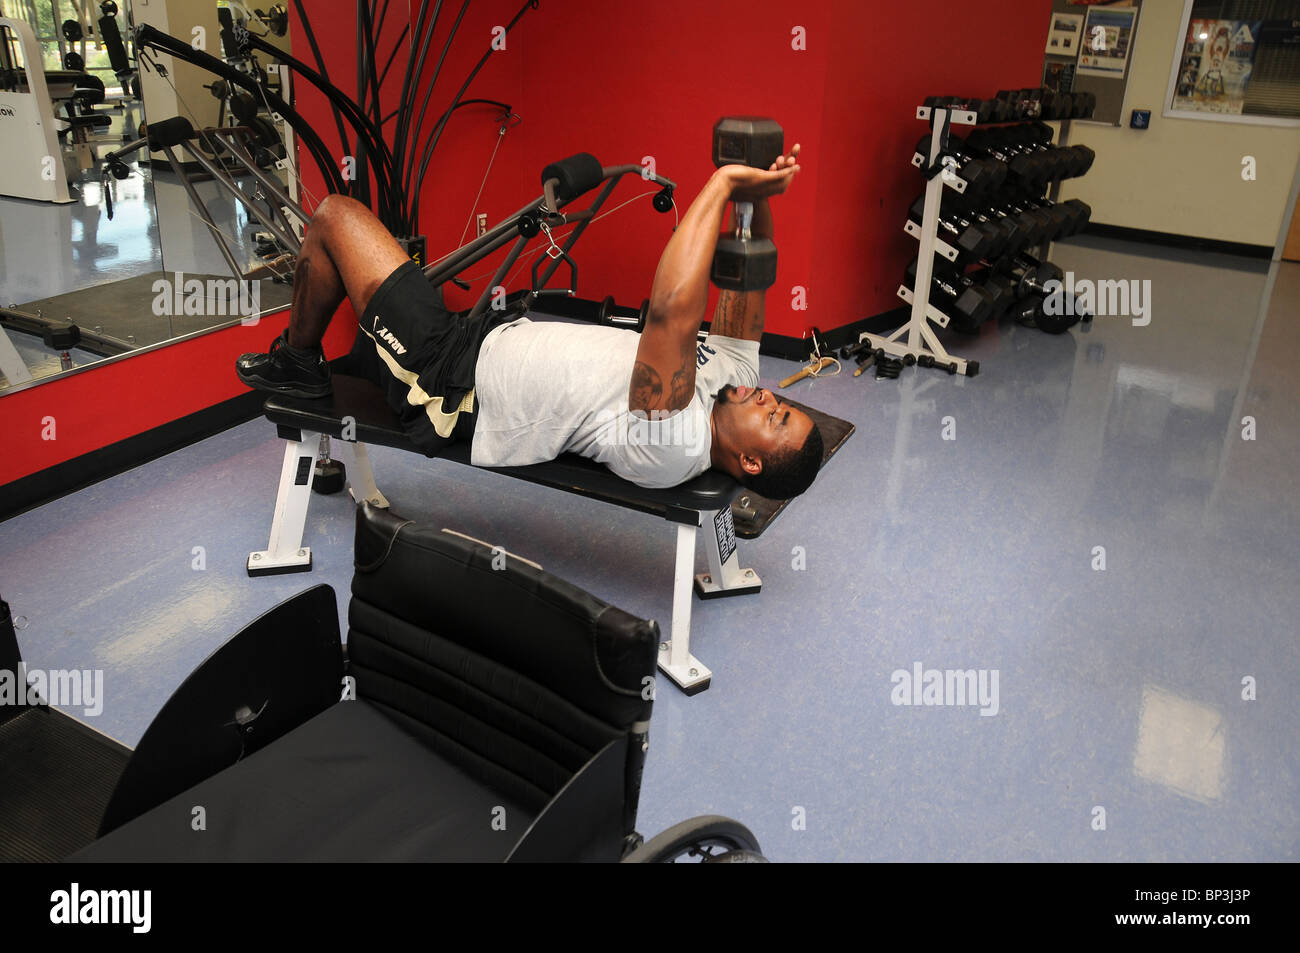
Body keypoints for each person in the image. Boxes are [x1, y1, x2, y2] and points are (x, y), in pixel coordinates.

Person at [236, 144, 823, 499]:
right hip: (485, 334)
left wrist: (721, 184)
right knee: (341, 229)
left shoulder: (676, 440)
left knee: (334, 217)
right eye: (782, 403)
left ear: (748, 460)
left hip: (449, 383)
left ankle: (297, 362)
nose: (768, 397)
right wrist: (756, 197)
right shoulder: (735, 373)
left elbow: (670, 311)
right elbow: (748, 276)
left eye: (773, 417)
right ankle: (302, 356)